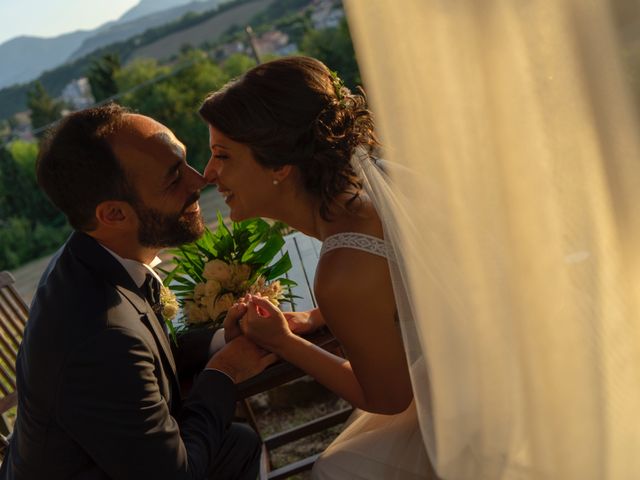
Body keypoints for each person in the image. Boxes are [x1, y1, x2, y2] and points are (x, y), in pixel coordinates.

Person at [0, 104, 276, 480]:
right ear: (113, 214)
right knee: (235, 445)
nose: (199, 180)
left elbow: (144, 348)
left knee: (238, 444)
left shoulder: (91, 260)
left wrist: (221, 339)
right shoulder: (97, 332)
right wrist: (224, 371)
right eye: (173, 177)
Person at [199, 56, 435, 479]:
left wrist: (286, 342)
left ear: (278, 166)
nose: (208, 172)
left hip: (479, 403)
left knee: (339, 470)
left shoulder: (341, 270)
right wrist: (316, 317)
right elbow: (403, 278)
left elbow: (387, 398)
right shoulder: (376, 182)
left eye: (223, 156)